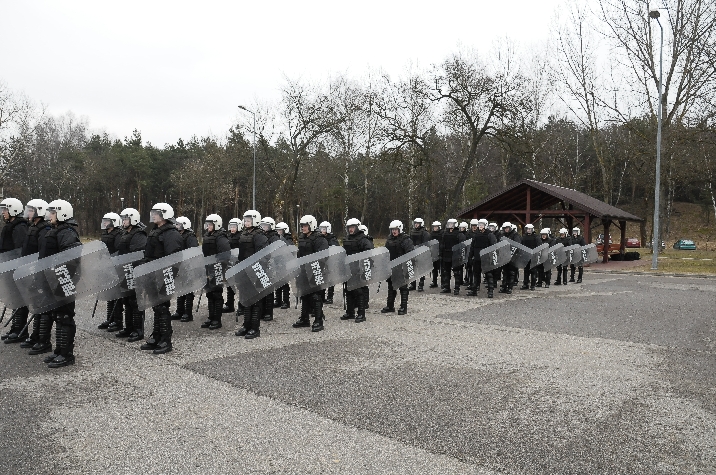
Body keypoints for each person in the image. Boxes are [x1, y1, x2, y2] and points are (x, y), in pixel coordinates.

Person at [139, 203, 183, 354]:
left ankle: (165, 340)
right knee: (156, 306)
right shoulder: (155, 231)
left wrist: (167, 278)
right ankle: (156, 336)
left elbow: (174, 259)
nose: (153, 215)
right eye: (152, 212)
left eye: (156, 213)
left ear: (165, 215)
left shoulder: (171, 233)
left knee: (162, 307)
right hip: (152, 275)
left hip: (164, 275)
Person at [42, 199, 81, 368]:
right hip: (54, 279)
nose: (50, 215)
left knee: (65, 317)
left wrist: (62, 278)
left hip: (64, 280)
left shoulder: (67, 233)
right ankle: (59, 350)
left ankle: (67, 354)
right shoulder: (56, 231)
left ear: (62, 214)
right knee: (57, 315)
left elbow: (72, 259)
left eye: (53, 212)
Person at [18, 199, 52, 352]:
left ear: (40, 211)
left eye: (31, 210)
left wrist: (38, 273)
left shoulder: (44, 229)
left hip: (40, 271)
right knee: (37, 305)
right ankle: (35, 336)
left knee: (42, 307)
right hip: (30, 270)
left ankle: (42, 339)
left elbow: (43, 253)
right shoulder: (33, 226)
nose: (28, 213)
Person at [115, 208, 147, 341]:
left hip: (134, 272)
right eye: (123, 219)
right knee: (127, 301)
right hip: (125, 271)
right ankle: (129, 328)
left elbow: (138, 256)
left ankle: (138, 330)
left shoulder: (139, 234)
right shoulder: (125, 233)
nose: (123, 221)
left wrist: (135, 273)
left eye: (126, 219)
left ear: (133, 220)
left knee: (135, 301)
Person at [234, 210, 268, 339]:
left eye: (249, 220)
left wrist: (257, 271)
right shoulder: (244, 234)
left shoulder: (260, 235)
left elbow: (264, 255)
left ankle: (255, 328)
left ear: (255, 221)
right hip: (244, 270)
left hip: (256, 271)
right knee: (246, 299)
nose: (246, 222)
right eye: (245, 220)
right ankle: (246, 326)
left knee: (256, 301)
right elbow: (241, 254)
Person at [292, 215, 329, 332]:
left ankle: (318, 320)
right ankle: (304, 319)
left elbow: (323, 256)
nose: (303, 228)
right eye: (302, 226)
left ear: (311, 226)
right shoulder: (302, 238)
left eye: (305, 226)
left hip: (315, 270)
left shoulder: (320, 239)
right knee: (304, 294)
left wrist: (315, 269)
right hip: (303, 270)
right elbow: (300, 255)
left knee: (315, 296)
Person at [0, 198, 29, 343]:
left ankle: (20, 331)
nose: (3, 212)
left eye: (5, 209)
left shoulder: (20, 227)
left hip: (16, 269)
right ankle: (15, 328)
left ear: (14, 210)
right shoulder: (10, 226)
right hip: (8, 267)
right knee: (14, 299)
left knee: (19, 300)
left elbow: (19, 251)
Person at [200, 214, 231, 330]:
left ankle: (217, 319)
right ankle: (211, 317)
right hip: (208, 268)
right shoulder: (207, 235)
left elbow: (225, 255)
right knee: (209, 293)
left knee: (216, 293)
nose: (208, 226)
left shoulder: (221, 237)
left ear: (216, 224)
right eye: (207, 224)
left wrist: (218, 268)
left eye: (210, 224)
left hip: (217, 268)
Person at [341, 218, 373, 322]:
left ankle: (361, 313)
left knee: (359, 292)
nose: (350, 229)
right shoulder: (347, 239)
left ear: (357, 227)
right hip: (349, 269)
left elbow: (369, 254)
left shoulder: (363, 239)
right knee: (348, 291)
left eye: (352, 227)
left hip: (359, 269)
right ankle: (350, 312)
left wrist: (365, 268)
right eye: (349, 227)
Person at [97, 212, 124, 332]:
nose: (105, 223)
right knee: (109, 294)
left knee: (116, 295)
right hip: (106, 267)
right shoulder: (105, 233)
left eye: (107, 221)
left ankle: (117, 321)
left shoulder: (118, 234)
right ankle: (110, 318)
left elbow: (118, 250)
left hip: (115, 267)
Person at [382, 220, 414, 314]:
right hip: (391, 266)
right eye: (392, 229)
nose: (394, 231)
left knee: (403, 288)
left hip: (402, 267)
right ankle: (390, 306)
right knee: (391, 287)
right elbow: (386, 252)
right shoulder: (389, 240)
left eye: (395, 229)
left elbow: (410, 253)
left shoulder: (406, 240)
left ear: (400, 229)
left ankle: (403, 307)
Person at [174, 216, 199, 322]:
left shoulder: (190, 236)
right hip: (180, 266)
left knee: (188, 290)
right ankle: (179, 311)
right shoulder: (177, 235)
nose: (177, 226)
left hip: (188, 266)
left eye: (179, 225)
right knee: (180, 289)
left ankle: (188, 313)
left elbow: (193, 252)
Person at [466, 219, 497, 298]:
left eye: (482, 225)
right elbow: (472, 247)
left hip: (486, 258)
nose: (480, 226)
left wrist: (492, 258)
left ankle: (490, 291)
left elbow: (494, 246)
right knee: (476, 275)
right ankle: (474, 290)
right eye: (479, 224)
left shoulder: (490, 235)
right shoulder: (476, 235)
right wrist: (470, 257)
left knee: (489, 275)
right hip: (477, 258)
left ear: (485, 225)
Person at [259, 217, 280, 321]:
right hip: (261, 264)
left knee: (268, 290)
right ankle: (262, 311)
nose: (264, 227)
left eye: (266, 226)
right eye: (262, 225)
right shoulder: (260, 236)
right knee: (261, 289)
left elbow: (275, 252)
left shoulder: (274, 237)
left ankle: (268, 312)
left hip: (270, 265)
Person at [440, 218, 465, 295]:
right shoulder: (445, 234)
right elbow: (442, 244)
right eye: (449, 224)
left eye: (452, 224)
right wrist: (441, 254)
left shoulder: (459, 234)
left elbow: (462, 245)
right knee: (446, 272)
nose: (450, 225)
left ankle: (456, 288)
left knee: (456, 273)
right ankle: (447, 287)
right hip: (446, 255)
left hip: (455, 256)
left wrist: (461, 256)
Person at [222, 218, 242, 314]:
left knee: (240, 285)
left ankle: (241, 306)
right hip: (229, 263)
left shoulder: (241, 237)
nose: (232, 229)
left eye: (234, 227)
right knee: (229, 284)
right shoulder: (228, 236)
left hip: (238, 262)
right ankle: (229, 305)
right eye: (231, 227)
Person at [319, 221, 339, 304]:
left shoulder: (332, 239)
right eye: (321, 229)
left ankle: (330, 297)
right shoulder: (319, 238)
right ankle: (322, 296)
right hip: (322, 261)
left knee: (331, 279)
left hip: (330, 261)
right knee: (322, 279)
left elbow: (335, 249)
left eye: (324, 229)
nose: (322, 230)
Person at [498, 222, 521, 294]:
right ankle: (504, 286)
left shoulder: (515, 235)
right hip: (504, 256)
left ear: (510, 228)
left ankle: (510, 287)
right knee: (505, 272)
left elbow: (517, 245)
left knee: (511, 272)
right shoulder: (502, 235)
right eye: (505, 228)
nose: (506, 229)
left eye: (507, 228)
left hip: (513, 256)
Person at [408, 218, 431, 292]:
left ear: (421, 224)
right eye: (415, 223)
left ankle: (421, 284)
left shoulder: (425, 233)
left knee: (421, 270)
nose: (416, 225)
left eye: (417, 223)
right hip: (413, 252)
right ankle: (413, 284)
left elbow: (426, 243)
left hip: (421, 253)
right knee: (412, 269)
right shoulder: (412, 232)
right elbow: (410, 242)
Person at [274, 222, 292, 309]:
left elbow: (290, 249)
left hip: (285, 263)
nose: (279, 232)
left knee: (284, 283)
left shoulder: (288, 239)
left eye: (280, 230)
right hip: (277, 262)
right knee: (277, 282)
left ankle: (286, 301)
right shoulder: (276, 238)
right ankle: (278, 300)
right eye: (277, 230)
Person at [520, 224, 541, 291]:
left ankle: (533, 285)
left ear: (532, 229)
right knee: (526, 271)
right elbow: (521, 245)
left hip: (533, 256)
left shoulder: (536, 237)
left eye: (530, 229)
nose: (528, 230)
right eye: (527, 229)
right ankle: (525, 284)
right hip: (526, 256)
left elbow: (539, 246)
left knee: (533, 271)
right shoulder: (524, 237)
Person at [358, 224, 373, 306]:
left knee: (364, 284)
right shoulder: (358, 241)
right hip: (358, 264)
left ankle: (365, 302)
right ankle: (359, 301)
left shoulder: (368, 241)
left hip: (366, 264)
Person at [464, 219, 479, 289]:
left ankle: (477, 284)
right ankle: (470, 283)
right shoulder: (468, 233)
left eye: (475, 225)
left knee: (477, 271)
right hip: (469, 253)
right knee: (469, 269)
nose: (474, 227)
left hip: (476, 253)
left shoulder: (479, 233)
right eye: (473, 225)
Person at [429, 221, 442, 288]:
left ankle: (443, 283)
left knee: (442, 269)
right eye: (434, 227)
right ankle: (434, 282)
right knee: (434, 269)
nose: (435, 228)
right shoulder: (431, 234)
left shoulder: (442, 234)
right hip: (433, 253)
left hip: (440, 252)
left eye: (436, 227)